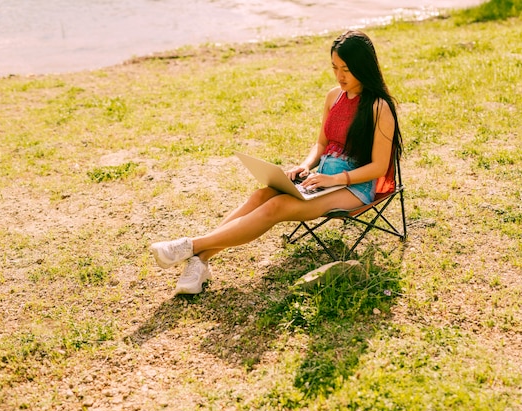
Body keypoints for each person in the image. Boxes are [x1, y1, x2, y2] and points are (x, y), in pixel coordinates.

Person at [151, 30, 403, 295]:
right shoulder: (334, 97)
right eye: (334, 67)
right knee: (262, 195)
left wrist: (335, 179)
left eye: (346, 70)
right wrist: (306, 165)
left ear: (363, 68)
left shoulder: (379, 107)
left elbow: (378, 167)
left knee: (277, 206)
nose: (339, 76)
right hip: (321, 181)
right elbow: (321, 144)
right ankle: (200, 260)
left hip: (355, 188)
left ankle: (191, 246)